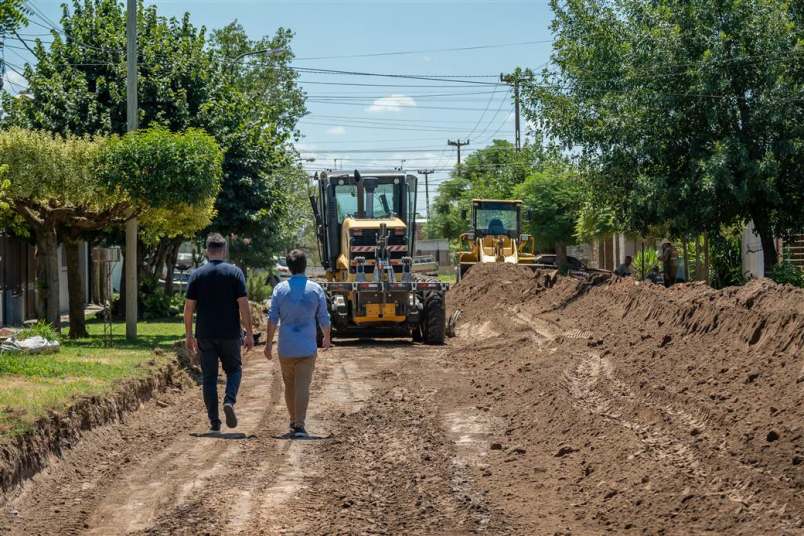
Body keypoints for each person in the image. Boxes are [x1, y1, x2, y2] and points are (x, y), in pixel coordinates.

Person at [184, 233, 254, 434]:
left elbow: (189, 308)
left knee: (209, 378)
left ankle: (214, 423)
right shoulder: (234, 273)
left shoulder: (197, 275)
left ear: (207, 251)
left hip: (205, 334)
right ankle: (229, 401)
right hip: (230, 333)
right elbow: (244, 305)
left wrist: (189, 335)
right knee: (234, 370)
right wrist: (249, 333)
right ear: (223, 251)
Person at [265, 249, 331, 439]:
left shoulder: (280, 289)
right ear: (305, 265)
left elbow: (272, 318)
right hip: (307, 347)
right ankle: (299, 425)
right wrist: (326, 337)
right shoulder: (315, 289)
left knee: (289, 385)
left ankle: (293, 420)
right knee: (303, 385)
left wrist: (268, 344)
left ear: (289, 267)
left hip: (286, 346)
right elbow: (323, 317)